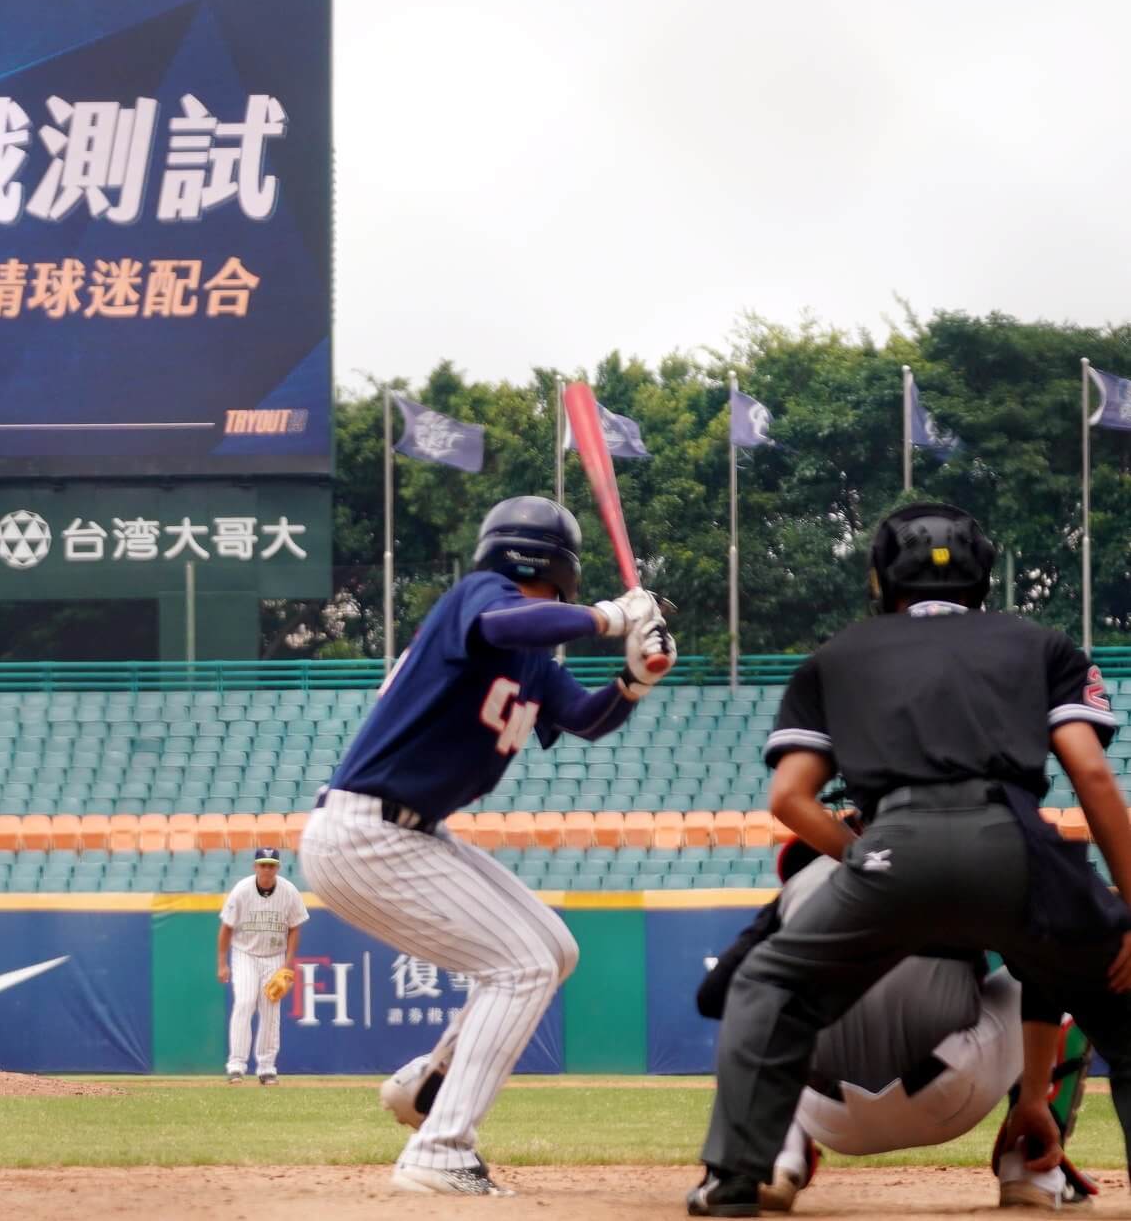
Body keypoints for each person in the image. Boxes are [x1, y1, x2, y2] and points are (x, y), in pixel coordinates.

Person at [689, 502, 1131, 1216]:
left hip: (890, 842)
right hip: (1011, 841)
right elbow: (1092, 773)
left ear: (881, 580)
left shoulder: (837, 655)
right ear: (984, 576)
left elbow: (790, 798)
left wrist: (870, 859)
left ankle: (736, 1175)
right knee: (1104, 990)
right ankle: (1032, 1161)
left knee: (766, 983)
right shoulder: (1041, 643)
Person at [302, 495, 676, 1195]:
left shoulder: (531, 662)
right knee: (524, 965)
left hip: (405, 833)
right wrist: (610, 616)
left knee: (553, 950)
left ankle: (427, 1092)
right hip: (368, 830)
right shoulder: (483, 598)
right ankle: (439, 1150)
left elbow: (587, 720)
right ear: (560, 568)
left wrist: (633, 682)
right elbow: (508, 621)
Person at [697, 831, 1096, 1212]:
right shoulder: (956, 868)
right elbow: (1043, 964)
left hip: (824, 1114)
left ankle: (778, 1156)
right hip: (949, 1094)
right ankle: (1029, 1169)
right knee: (1058, 973)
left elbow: (715, 995)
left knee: (761, 1010)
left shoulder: (800, 887)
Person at [217, 846, 308, 1084]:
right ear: (255, 866)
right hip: (245, 953)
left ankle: (266, 1068)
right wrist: (222, 963)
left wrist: (287, 966)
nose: (266, 869)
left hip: (274, 954)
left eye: (271, 865)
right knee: (245, 1002)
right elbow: (226, 927)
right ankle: (236, 1065)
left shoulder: (288, 891)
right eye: (262, 864)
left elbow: (295, 928)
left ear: (277, 867)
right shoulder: (242, 890)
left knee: (270, 1009)